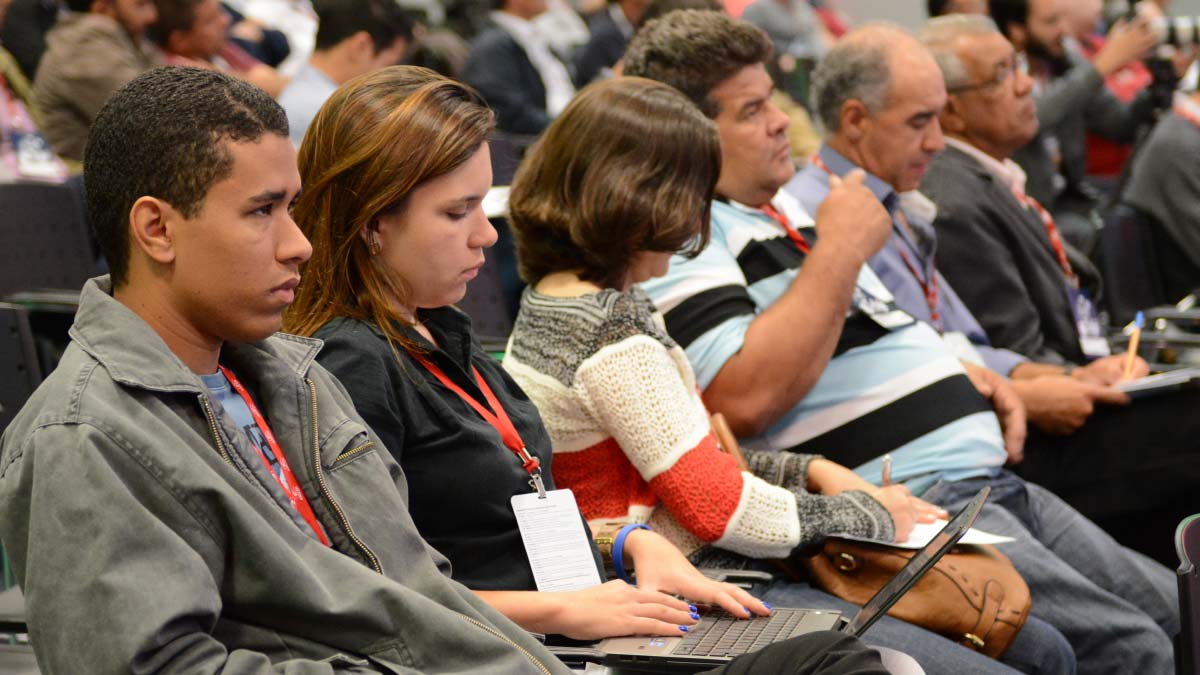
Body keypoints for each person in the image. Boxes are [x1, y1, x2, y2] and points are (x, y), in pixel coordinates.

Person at [280, 64, 899, 674]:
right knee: (840, 659)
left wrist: (628, 543)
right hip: (529, 648)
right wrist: (569, 611)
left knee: (843, 649)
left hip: (588, 616)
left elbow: (509, 517)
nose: (485, 236)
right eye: (455, 213)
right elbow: (380, 594)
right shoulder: (349, 362)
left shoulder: (437, 328)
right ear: (373, 225)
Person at [624, 11, 1178, 674]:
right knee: (1134, 645)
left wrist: (975, 370)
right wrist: (840, 247)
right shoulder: (691, 238)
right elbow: (741, 399)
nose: (781, 120)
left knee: (1178, 611)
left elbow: (902, 330)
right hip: (909, 491)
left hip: (982, 473)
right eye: (752, 109)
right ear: (688, 131)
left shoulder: (783, 210)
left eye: (773, 98)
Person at [0, 64, 572, 674]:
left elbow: (421, 592)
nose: (298, 242)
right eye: (261, 211)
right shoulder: (84, 439)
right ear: (156, 229)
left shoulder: (299, 377)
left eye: (292, 208)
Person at [503, 72, 1075, 675]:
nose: (698, 217)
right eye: (693, 195)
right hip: (694, 587)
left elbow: (694, 464)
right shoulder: (608, 336)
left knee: (1039, 647)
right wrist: (878, 518)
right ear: (642, 199)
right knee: (1022, 656)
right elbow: (716, 509)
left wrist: (820, 471)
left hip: (699, 571)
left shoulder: (565, 303)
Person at [909, 14, 1200, 564]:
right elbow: (1020, 357)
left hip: (1085, 380)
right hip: (1051, 435)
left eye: (1018, 68)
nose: (1025, 85)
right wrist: (1080, 375)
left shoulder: (987, 176)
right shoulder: (954, 201)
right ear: (951, 109)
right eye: (1000, 76)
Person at [989, 0, 1159, 252]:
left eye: (1061, 19)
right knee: (1094, 235)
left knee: (1145, 205)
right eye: (1050, 22)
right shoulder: (1000, 75)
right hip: (1031, 207)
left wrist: (1159, 84)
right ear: (1017, 30)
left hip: (1073, 196)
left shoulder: (1063, 58)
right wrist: (1102, 65)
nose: (1063, 31)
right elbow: (1034, 116)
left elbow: (1119, 124)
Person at [32, 0, 159, 162]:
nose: (152, 16)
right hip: (77, 174)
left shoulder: (126, 37)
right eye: (140, 5)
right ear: (101, 8)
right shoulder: (87, 40)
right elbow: (150, 117)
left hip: (105, 173)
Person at [277, 0, 411, 145]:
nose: (387, 79)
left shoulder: (299, 90)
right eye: (388, 64)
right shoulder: (341, 116)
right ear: (361, 46)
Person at [461, 0, 575, 134]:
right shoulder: (493, 45)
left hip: (562, 124)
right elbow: (507, 114)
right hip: (539, 141)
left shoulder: (532, 35)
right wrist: (568, 127)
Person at [152, 0, 287, 96]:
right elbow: (266, 88)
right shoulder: (176, 73)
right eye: (210, 20)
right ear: (180, 41)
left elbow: (272, 81)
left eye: (220, 11)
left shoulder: (215, 47)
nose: (225, 20)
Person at [572, 0, 647, 86]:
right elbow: (585, 81)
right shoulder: (604, 32)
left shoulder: (627, 25)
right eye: (638, 6)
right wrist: (613, 77)